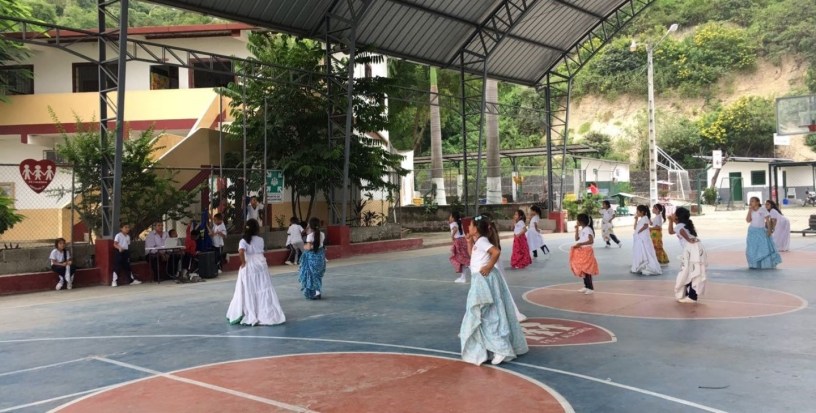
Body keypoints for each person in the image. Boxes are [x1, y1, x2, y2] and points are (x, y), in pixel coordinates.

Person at [459, 214, 528, 366]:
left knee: (487, 315)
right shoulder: (479, 241)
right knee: (485, 314)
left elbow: (496, 252)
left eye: (470, 226)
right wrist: (469, 242)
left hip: (484, 280)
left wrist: (489, 266)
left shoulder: (483, 241)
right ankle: (492, 348)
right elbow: (473, 256)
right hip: (480, 280)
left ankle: (500, 349)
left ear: (476, 229)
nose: (468, 228)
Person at [226, 218, 286, 326]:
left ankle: (249, 311)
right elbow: (259, 251)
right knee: (262, 287)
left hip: (250, 264)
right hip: (261, 264)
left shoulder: (243, 241)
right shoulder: (260, 240)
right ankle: (264, 311)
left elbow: (241, 251)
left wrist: (243, 262)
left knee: (249, 288)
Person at [669, 207, 706, 303]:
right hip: (695, 249)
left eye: (674, 213)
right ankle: (691, 294)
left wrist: (688, 239)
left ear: (677, 216)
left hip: (691, 250)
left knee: (688, 272)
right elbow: (671, 231)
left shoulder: (680, 227)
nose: (672, 214)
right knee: (692, 271)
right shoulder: (684, 224)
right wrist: (671, 221)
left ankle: (691, 296)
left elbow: (680, 231)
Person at [745, 196, 782, 269]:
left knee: (763, 247)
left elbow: (767, 221)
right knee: (752, 247)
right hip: (752, 231)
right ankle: (754, 264)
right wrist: (749, 211)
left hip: (761, 230)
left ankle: (764, 264)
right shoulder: (751, 210)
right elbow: (748, 220)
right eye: (750, 201)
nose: (751, 202)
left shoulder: (762, 210)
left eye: (752, 201)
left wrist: (769, 230)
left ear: (758, 202)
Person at [570, 213, 599, 295]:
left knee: (587, 269)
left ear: (581, 221)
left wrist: (581, 244)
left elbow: (591, 241)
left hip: (587, 250)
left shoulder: (588, 229)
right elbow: (576, 238)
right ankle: (586, 286)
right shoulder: (582, 229)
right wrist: (576, 229)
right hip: (582, 250)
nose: (577, 222)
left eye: (577, 220)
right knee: (582, 268)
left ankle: (590, 288)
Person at [299, 217, 326, 300]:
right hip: (320, 257)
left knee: (311, 276)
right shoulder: (322, 234)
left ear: (310, 225)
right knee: (317, 276)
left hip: (312, 257)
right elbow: (319, 245)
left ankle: (315, 292)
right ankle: (317, 291)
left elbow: (308, 247)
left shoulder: (310, 236)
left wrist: (304, 246)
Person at [631, 205, 662, 275]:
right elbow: (635, 227)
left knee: (646, 250)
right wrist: (636, 220)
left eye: (638, 211)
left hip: (643, 238)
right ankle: (639, 265)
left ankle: (648, 265)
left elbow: (646, 226)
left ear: (642, 212)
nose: (637, 213)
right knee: (640, 251)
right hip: (639, 238)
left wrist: (639, 231)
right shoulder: (641, 219)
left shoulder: (645, 218)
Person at [448, 211, 471, 284]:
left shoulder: (453, 223)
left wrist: (452, 236)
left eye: (450, 216)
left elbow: (455, 229)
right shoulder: (460, 222)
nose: (449, 218)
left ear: (453, 218)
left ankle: (474, 273)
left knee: (464, 260)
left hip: (458, 241)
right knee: (463, 261)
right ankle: (463, 277)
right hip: (463, 240)